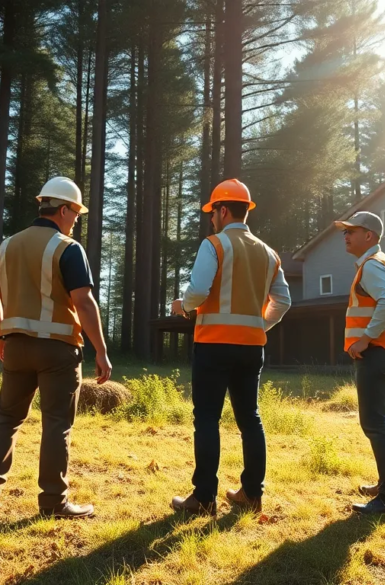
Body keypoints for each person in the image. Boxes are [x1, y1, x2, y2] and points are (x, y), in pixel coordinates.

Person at [0, 176, 113, 519]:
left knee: (6, 418)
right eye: (75, 214)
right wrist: (101, 349)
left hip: (16, 348)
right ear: (62, 209)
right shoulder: (68, 248)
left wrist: (0, 334)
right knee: (56, 423)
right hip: (58, 352)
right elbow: (84, 302)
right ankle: (53, 502)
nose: (76, 221)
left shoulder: (7, 245)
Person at [169, 179, 292, 516]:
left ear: (223, 211)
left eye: (212, 213)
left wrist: (183, 305)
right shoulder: (269, 253)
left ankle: (204, 498)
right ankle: (252, 494)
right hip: (251, 347)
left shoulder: (215, 244)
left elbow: (198, 289)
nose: (211, 219)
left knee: (206, 417)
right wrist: (257, 324)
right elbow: (283, 301)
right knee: (249, 418)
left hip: (214, 345)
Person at [334, 211, 385, 515]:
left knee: (374, 424)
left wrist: (365, 337)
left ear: (370, 236)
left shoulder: (372, 266)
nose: (346, 235)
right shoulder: (378, 263)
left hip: (376, 354)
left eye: (352, 230)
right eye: (345, 231)